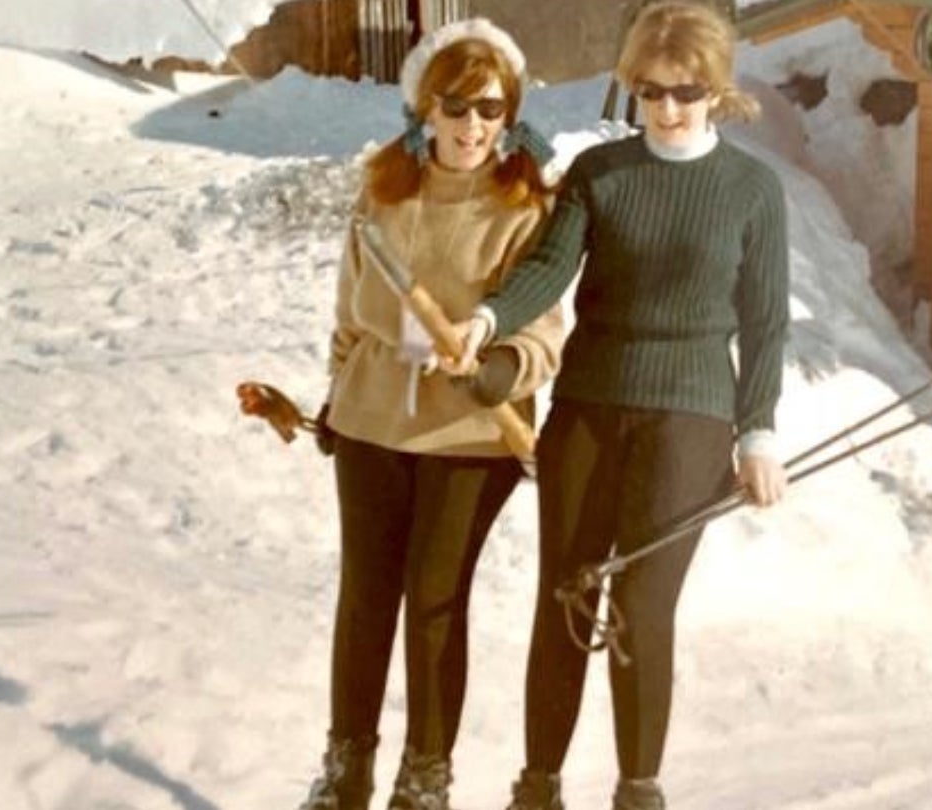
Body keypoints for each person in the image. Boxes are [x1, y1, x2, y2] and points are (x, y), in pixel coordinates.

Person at [446, 4, 790, 809]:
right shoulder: (602, 176)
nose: (667, 110)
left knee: (638, 608)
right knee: (565, 598)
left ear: (715, 90)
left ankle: (638, 792)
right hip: (589, 410)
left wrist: (759, 434)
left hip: (690, 420)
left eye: (685, 93)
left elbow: (766, 324)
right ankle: (537, 788)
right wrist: (488, 318)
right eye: (649, 91)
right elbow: (547, 267)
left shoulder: (751, 189)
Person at [298, 18, 564, 810]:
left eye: (490, 109)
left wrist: (499, 368)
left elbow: (543, 332)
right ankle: (346, 771)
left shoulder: (524, 208)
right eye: (457, 106)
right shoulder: (381, 193)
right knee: (366, 593)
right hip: (373, 420)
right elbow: (351, 310)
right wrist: (337, 394)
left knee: (434, 598)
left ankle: (425, 778)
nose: (473, 126)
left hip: (469, 434)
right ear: (425, 108)